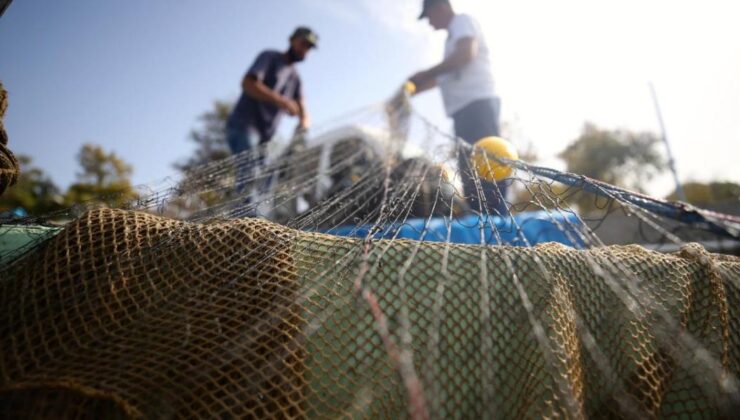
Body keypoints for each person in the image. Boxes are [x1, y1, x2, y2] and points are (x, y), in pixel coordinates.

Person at [408, 0, 508, 216]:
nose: (430, 23)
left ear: (440, 8)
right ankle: (481, 223)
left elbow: (465, 55)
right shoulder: (450, 40)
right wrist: (413, 90)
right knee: (469, 173)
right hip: (463, 113)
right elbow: (443, 77)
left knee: (487, 170)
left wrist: (425, 74)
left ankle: (498, 226)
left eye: (429, 16)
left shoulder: (462, 21)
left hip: (477, 106)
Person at [226, 26, 318, 196]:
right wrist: (281, 101)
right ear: (291, 40)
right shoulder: (270, 57)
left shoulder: (296, 79)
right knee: (250, 173)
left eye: (309, 48)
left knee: (267, 179)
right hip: (245, 126)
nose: (305, 50)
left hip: (265, 138)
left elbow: (303, 111)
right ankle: (244, 219)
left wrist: (303, 128)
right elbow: (248, 84)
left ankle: (257, 217)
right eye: (303, 44)